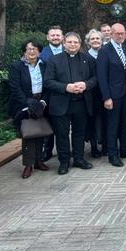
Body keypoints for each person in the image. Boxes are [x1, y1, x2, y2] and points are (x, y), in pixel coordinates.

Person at [44, 32, 97, 174]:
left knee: (79, 133)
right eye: (70, 42)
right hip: (61, 103)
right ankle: (64, 162)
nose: (73, 45)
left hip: (81, 103)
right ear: (64, 43)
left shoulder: (88, 59)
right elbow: (48, 81)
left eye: (76, 42)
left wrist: (86, 85)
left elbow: (95, 78)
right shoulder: (54, 60)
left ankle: (79, 159)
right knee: (62, 134)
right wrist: (65, 87)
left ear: (80, 44)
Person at [97, 23, 126, 167]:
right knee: (113, 125)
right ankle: (112, 154)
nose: (120, 36)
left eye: (122, 33)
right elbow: (102, 76)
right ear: (111, 34)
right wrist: (106, 97)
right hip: (113, 95)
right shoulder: (104, 51)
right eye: (117, 33)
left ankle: (125, 150)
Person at [9, 39, 50, 179]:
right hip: (25, 103)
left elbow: (48, 84)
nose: (32, 51)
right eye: (29, 49)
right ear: (24, 51)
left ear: (39, 51)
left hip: (41, 102)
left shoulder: (45, 65)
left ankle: (39, 161)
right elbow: (15, 88)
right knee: (29, 133)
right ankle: (28, 164)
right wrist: (27, 104)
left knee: (40, 131)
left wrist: (43, 102)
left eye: (35, 49)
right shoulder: (16, 66)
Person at [39, 25, 63, 160]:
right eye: (53, 35)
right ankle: (47, 151)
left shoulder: (69, 50)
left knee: (63, 126)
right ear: (48, 37)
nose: (55, 37)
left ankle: (64, 151)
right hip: (48, 93)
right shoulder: (42, 54)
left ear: (62, 37)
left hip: (66, 93)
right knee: (48, 123)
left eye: (58, 35)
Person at [85, 29, 106, 157]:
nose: (95, 41)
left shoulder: (105, 54)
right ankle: (94, 147)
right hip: (91, 94)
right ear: (88, 42)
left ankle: (105, 145)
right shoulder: (85, 57)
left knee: (105, 119)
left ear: (102, 41)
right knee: (92, 120)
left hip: (105, 93)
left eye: (98, 38)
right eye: (92, 39)